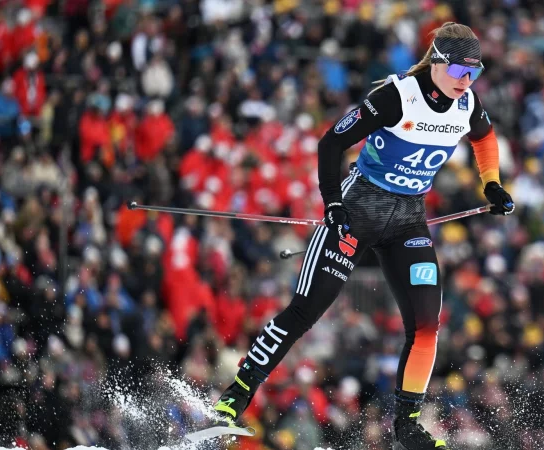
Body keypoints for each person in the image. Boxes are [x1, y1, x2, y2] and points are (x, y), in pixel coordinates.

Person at [212, 22, 514, 450]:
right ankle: (235, 396)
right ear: (439, 64)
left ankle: (407, 425)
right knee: (304, 312)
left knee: (427, 325)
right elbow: (330, 144)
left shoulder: (466, 104)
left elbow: (485, 139)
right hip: (357, 214)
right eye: (462, 73)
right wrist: (333, 203)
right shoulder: (397, 97)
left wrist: (491, 184)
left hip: (408, 222)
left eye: (475, 74)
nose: (468, 83)